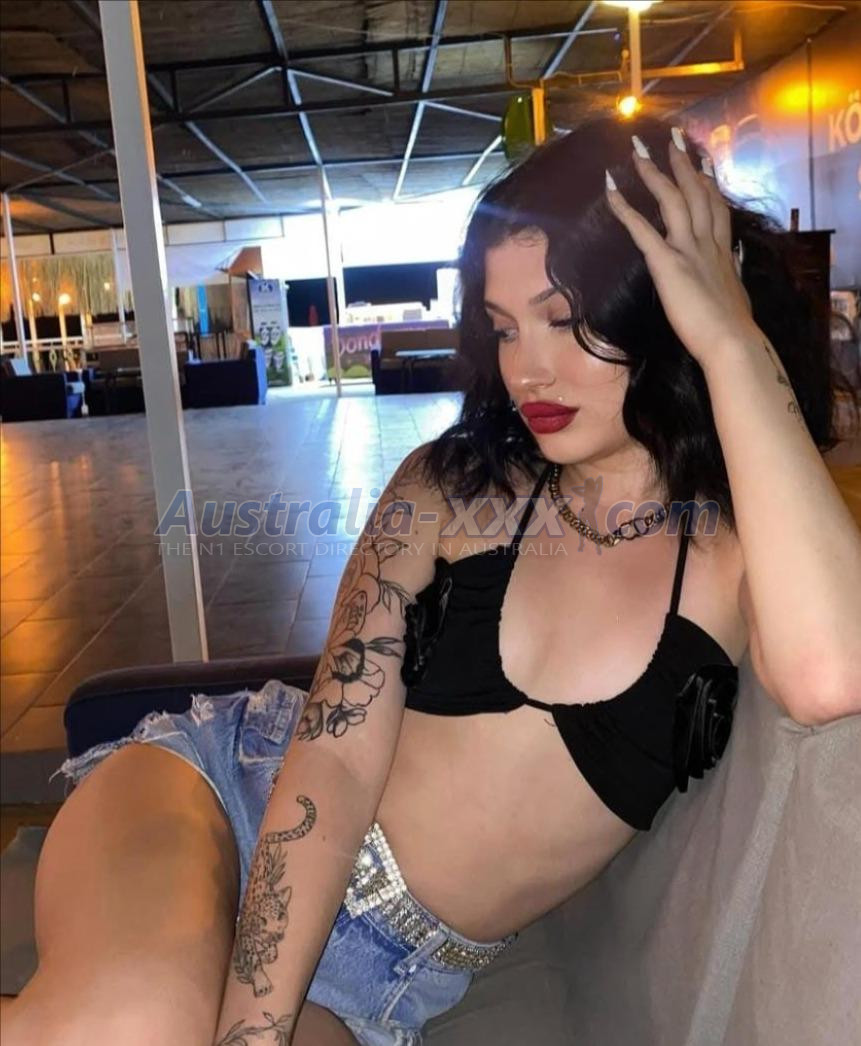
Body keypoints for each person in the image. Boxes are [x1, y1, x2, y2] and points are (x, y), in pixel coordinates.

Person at [5, 116, 860, 1046]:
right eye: (503, 328)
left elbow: (831, 674)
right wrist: (254, 1031)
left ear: (665, 305)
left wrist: (730, 338)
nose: (528, 367)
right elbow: (334, 758)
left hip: (382, 986)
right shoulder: (449, 488)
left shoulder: (733, 551)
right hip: (222, 804)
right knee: (133, 1026)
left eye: (564, 320)